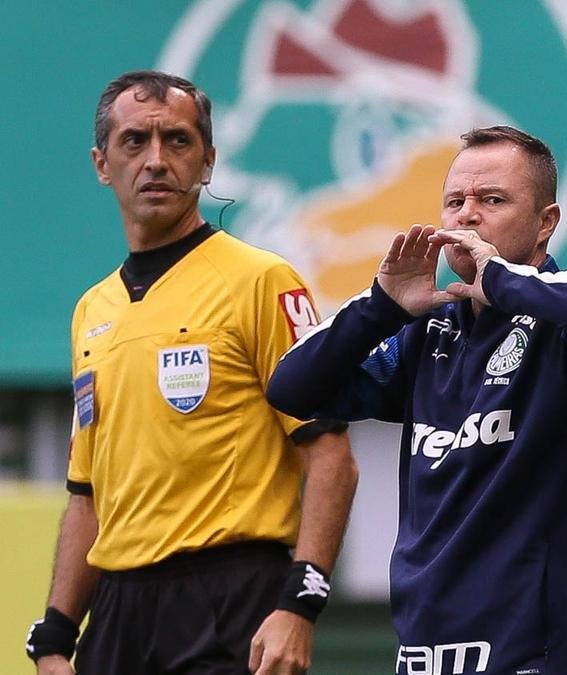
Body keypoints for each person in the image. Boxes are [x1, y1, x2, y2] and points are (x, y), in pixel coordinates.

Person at [266, 125, 567, 675]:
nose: (467, 215)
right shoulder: (425, 332)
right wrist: (381, 307)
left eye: (492, 200)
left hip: (534, 655)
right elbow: (293, 389)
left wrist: (501, 281)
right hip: (423, 651)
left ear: (547, 222)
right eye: (455, 202)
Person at [24, 70, 359, 675]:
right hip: (118, 611)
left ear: (208, 161)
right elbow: (88, 491)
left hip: (231, 597)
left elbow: (331, 453)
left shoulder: (262, 280)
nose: (156, 160)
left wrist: (300, 605)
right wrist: (54, 636)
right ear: (103, 164)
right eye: (134, 142)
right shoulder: (90, 311)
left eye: (177, 141)